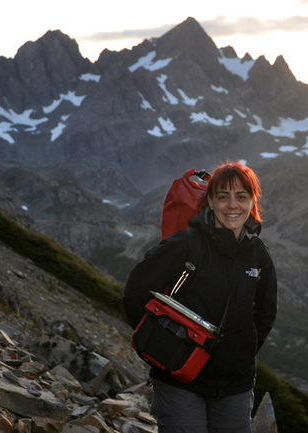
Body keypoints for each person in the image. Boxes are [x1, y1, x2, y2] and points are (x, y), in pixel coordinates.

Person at [124, 161, 278, 433]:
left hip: (235, 386)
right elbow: (136, 292)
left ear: (252, 202)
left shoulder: (259, 254)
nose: (233, 205)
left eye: (241, 197)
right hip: (179, 380)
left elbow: (265, 312)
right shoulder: (186, 243)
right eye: (223, 197)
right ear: (209, 201)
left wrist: (241, 352)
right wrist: (160, 348)